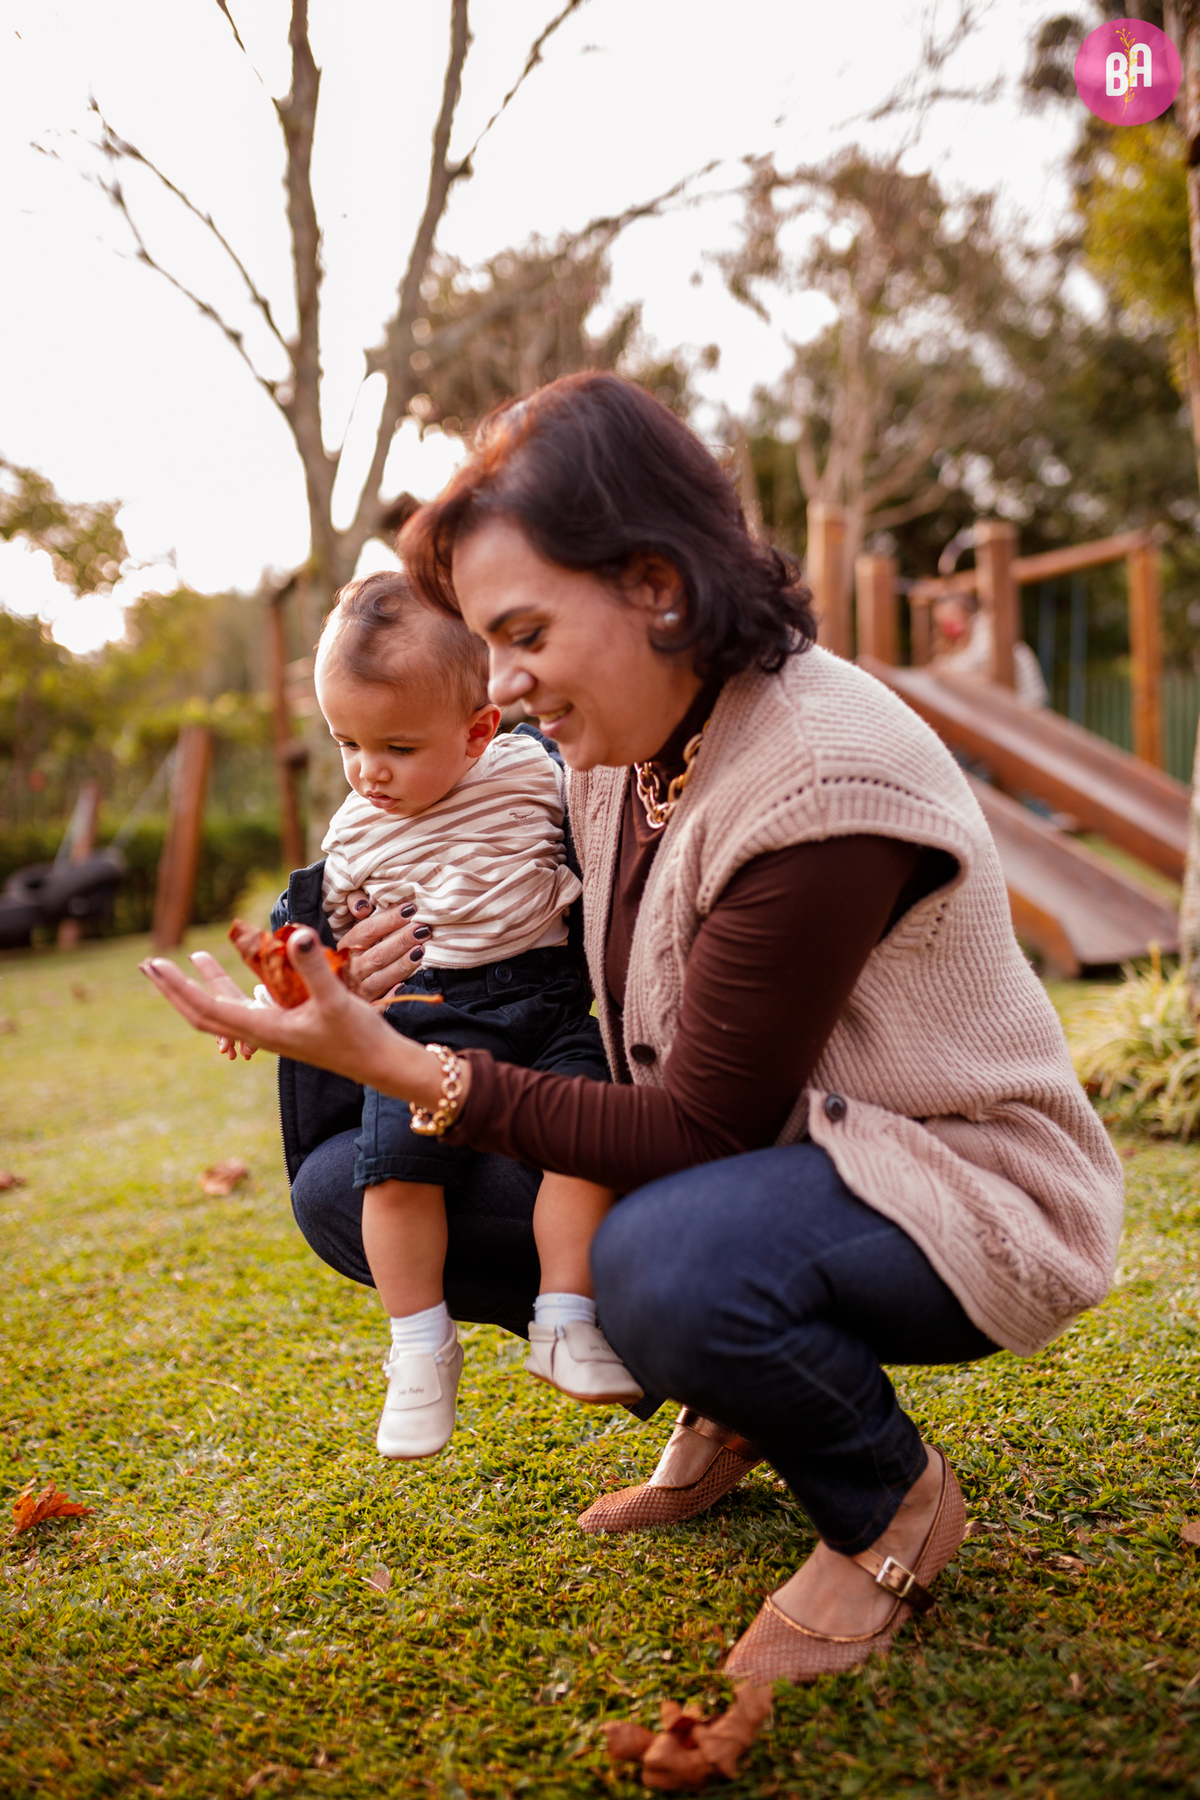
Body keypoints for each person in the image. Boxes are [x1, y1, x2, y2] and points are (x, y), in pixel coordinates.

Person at [143, 372, 1123, 1686]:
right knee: (350, 1186)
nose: (502, 681)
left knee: (663, 1259)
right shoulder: (621, 735)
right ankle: (736, 1400)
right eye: (488, 641)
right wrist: (343, 971)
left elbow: (697, 1124)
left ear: (655, 584)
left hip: (950, 1181)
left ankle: (887, 1499)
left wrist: (411, 1065)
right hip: (765, 1159)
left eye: (525, 629)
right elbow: (445, 864)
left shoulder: (820, 778)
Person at [242, 570, 641, 1463]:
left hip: (545, 1012)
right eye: (347, 741)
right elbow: (307, 942)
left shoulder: (538, 771)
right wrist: (278, 1001)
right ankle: (419, 1347)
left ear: (477, 732)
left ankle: (567, 1319)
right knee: (395, 1172)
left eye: (396, 745)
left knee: (583, 1146)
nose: (366, 770)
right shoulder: (355, 831)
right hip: (426, 1020)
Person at [932, 591, 1049, 706]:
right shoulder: (969, 637)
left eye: (950, 616)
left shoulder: (989, 631)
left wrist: (946, 668)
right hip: (1014, 703)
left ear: (964, 612)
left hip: (1027, 704)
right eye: (942, 621)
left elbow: (976, 662)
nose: (947, 625)